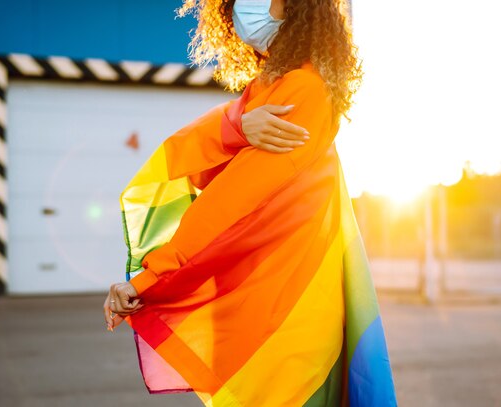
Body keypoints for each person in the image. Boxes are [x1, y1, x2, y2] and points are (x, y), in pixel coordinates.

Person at [103, 0, 398, 405]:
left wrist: (151, 280)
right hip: (263, 313)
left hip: (287, 319)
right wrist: (236, 126)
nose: (247, 6)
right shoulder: (267, 91)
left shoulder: (302, 90)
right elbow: (194, 162)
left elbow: (233, 205)